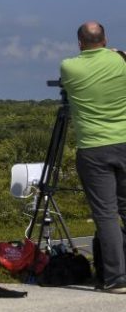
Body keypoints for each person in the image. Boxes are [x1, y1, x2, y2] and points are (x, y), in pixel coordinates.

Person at [60, 21, 126, 293]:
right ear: (105, 38)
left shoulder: (69, 66)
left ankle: (116, 278)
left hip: (93, 147)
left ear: (80, 43)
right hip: (124, 140)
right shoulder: (121, 62)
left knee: (106, 215)